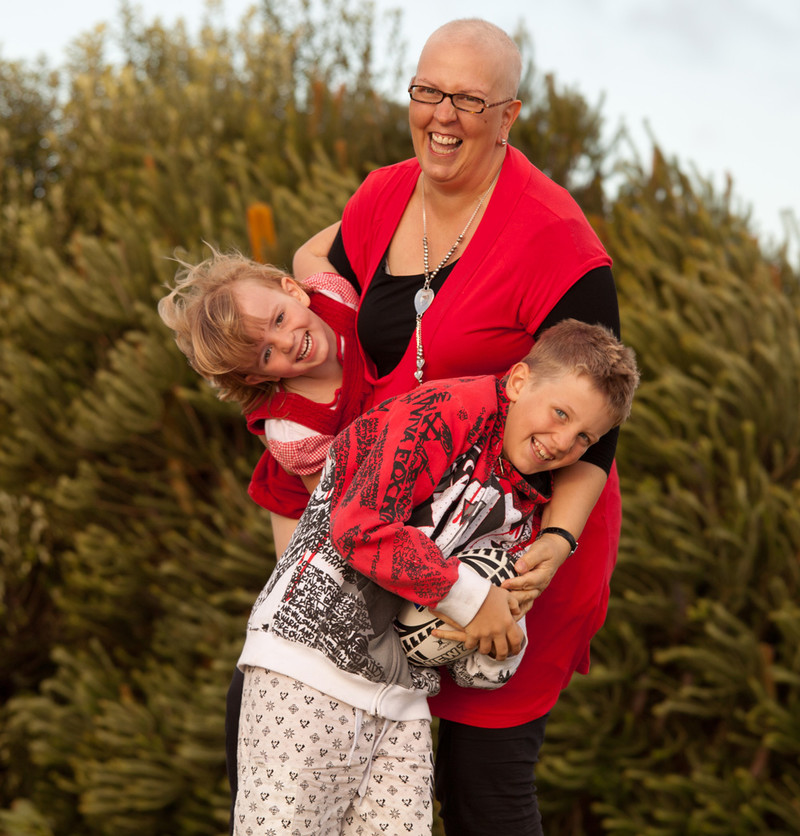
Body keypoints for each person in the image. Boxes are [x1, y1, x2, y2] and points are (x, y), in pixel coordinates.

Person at [293, 17, 625, 835]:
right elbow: (322, 263)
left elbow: (599, 427)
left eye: (470, 101)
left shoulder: (557, 241)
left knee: (482, 792)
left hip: (517, 544)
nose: (443, 116)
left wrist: (556, 544)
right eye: (427, 92)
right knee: (303, 749)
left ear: (508, 115)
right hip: (391, 534)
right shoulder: (383, 193)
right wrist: (308, 294)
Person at [233, 320, 639, 835]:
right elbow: (358, 528)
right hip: (306, 668)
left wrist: (502, 643)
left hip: (402, 700)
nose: (564, 442)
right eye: (560, 414)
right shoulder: (440, 412)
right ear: (518, 382)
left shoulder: (529, 498)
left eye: (585, 436)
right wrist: (471, 600)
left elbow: (477, 658)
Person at [157, 247, 373, 553]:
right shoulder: (296, 431)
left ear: (294, 291)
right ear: (257, 377)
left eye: (280, 319)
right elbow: (337, 505)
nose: (287, 342)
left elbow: (325, 243)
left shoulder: (335, 296)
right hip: (309, 501)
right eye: (266, 354)